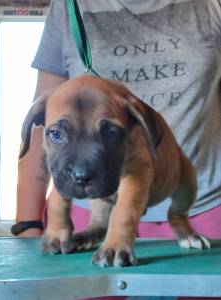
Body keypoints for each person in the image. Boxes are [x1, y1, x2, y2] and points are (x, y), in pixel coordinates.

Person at [15, 0, 221, 245]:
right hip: (90, 208)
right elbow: (46, 125)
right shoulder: (69, 6)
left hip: (200, 207)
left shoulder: (212, 4)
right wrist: (27, 225)